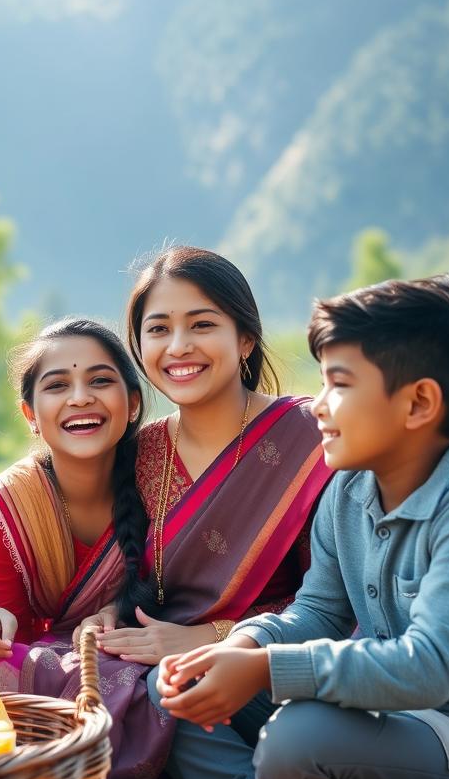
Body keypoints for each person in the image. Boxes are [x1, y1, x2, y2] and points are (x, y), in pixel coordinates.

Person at [156, 273, 449, 779]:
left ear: (418, 404)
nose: (317, 404)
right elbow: (317, 612)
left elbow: (427, 668)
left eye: (338, 384)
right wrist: (241, 647)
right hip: (382, 713)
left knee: (295, 742)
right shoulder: (347, 487)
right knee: (173, 699)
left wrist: (265, 670)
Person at [0, 318, 161, 779]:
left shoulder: (165, 479)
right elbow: (16, 630)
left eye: (99, 380)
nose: (80, 398)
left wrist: (115, 612)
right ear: (30, 414)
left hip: (143, 650)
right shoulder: (5, 506)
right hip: (54, 662)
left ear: (133, 403)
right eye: (58, 385)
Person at [92, 246, 331, 667]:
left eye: (202, 324)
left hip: (274, 666)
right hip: (151, 655)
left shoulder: (310, 435)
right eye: (159, 329)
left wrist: (213, 636)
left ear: (245, 339)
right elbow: (139, 580)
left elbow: (335, 600)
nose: (179, 347)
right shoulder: (142, 451)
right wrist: (112, 616)